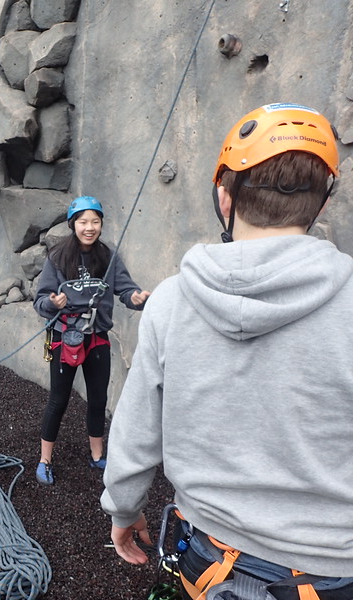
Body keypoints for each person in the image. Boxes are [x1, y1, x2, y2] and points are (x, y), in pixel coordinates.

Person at [101, 103, 353, 599]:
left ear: (224, 198)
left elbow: (135, 435)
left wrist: (123, 511)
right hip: (332, 568)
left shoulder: (171, 301)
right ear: (322, 204)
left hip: (208, 560)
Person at [32, 196, 150, 485]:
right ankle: (45, 459)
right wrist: (53, 303)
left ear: (101, 225)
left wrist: (135, 298)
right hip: (65, 336)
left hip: (96, 337)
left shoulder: (108, 257)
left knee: (98, 399)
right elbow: (40, 301)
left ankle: (97, 455)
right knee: (58, 400)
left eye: (95, 222)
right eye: (83, 222)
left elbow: (126, 289)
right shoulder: (58, 257)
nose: (89, 227)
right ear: (73, 224)